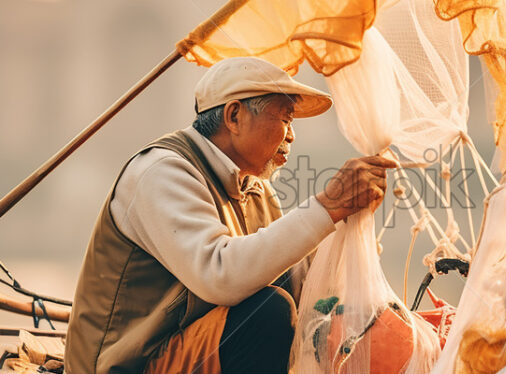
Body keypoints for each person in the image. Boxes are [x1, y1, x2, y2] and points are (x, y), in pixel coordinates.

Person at [65, 57, 396, 373]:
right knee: (268, 311)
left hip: (189, 348)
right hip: (133, 365)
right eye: (285, 118)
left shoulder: (254, 188)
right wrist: (329, 205)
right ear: (235, 117)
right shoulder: (162, 172)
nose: (291, 136)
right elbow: (221, 275)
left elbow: (291, 279)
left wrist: (345, 221)